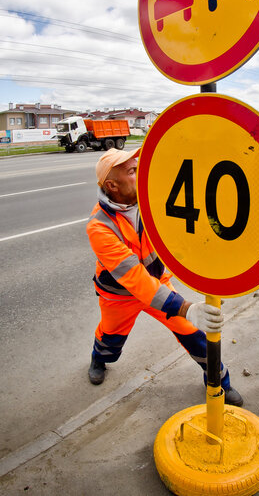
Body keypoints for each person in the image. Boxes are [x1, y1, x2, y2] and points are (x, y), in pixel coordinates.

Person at [86, 147, 243, 406]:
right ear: (113, 185)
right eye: (133, 171)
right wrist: (183, 307)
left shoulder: (153, 200)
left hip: (158, 284)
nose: (141, 173)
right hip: (119, 296)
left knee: (194, 334)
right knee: (111, 337)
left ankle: (220, 384)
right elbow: (134, 278)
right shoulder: (99, 226)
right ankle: (99, 359)